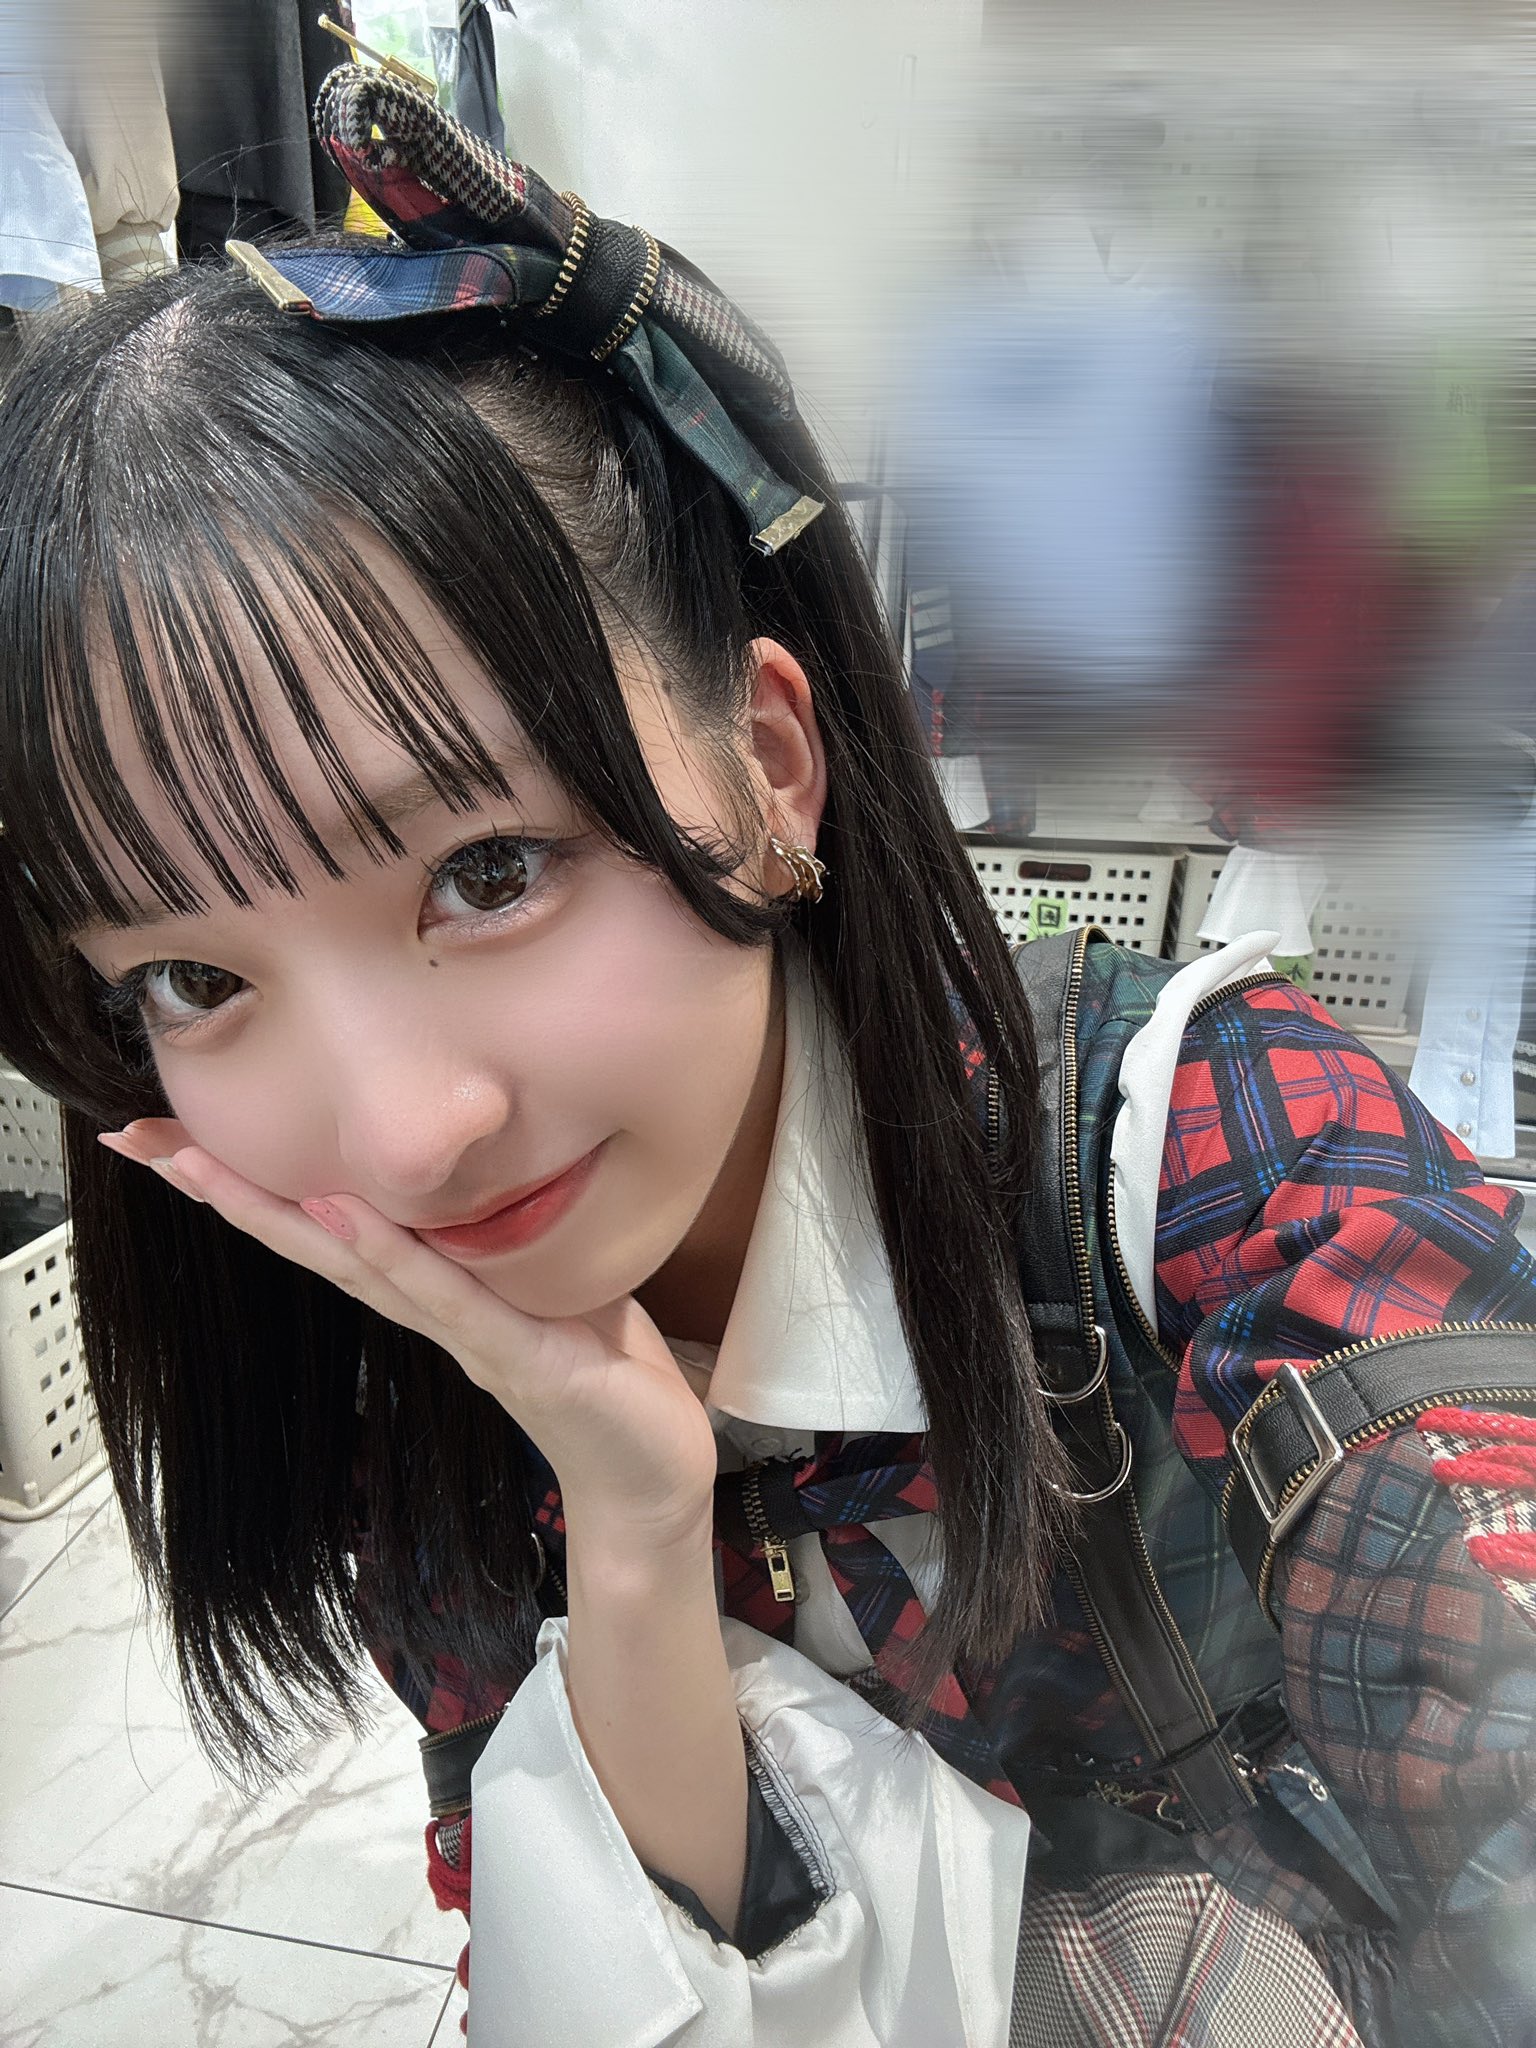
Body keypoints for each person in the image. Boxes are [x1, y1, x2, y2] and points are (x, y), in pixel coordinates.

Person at [1, 67, 1534, 2048]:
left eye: (489, 870)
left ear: (770, 765)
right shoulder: (397, 1384)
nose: (404, 1135)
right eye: (195, 979)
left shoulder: (1201, 1156)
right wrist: (633, 1531)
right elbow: (580, 1963)